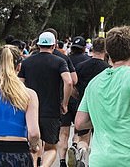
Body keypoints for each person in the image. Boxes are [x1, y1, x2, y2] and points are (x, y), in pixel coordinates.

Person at [75, 26, 130, 167]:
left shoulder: (94, 82)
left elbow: (79, 122)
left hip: (99, 161)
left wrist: (107, 119)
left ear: (108, 53)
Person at [19, 31, 73, 167]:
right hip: (51, 110)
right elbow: (69, 82)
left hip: (30, 110)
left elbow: (19, 83)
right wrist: (65, 103)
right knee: (51, 148)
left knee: (32, 147)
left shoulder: (27, 62)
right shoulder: (59, 62)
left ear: (38, 45)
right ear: (54, 45)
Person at [70, 37, 110, 165]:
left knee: (83, 137)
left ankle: (81, 153)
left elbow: (73, 85)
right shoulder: (108, 69)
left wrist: (78, 96)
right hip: (102, 108)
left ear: (92, 48)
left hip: (83, 105)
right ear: (106, 50)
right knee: (101, 138)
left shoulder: (81, 66)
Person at [59, 36, 88, 167]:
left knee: (64, 132)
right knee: (78, 130)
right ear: (83, 48)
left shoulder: (65, 59)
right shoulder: (87, 61)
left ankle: (62, 161)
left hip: (65, 97)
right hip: (79, 101)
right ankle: (75, 146)